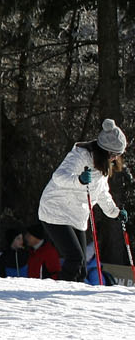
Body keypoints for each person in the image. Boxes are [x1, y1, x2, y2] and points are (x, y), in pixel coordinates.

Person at [36, 118, 125, 284]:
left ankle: (75, 299)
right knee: (75, 259)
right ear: (104, 150)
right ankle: (57, 297)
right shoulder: (80, 156)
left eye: (118, 155)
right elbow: (58, 177)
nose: (115, 158)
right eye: (113, 154)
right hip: (55, 210)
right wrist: (79, 180)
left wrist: (115, 212)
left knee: (82, 267)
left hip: (76, 215)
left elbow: (102, 193)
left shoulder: (103, 166)